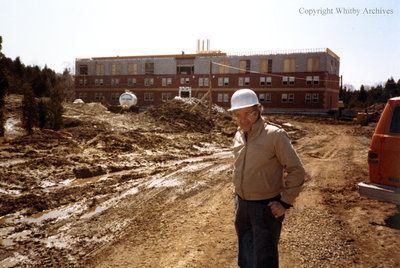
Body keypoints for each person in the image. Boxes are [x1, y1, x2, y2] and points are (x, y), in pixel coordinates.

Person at [229, 89, 305, 268]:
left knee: (265, 261)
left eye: (248, 113)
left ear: (258, 110)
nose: (243, 120)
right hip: (242, 206)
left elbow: (297, 170)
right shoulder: (238, 135)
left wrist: (285, 202)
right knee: (246, 259)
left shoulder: (275, 136)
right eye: (238, 115)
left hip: (265, 209)